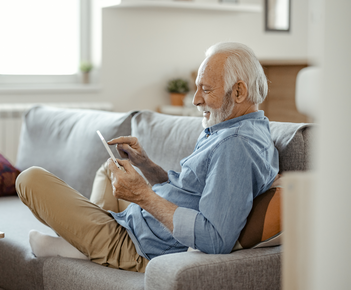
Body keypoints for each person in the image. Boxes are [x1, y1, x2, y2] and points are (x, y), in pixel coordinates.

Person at [16, 41, 279, 273]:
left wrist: (143, 195)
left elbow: (215, 238)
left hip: (142, 246)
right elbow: (189, 191)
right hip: (140, 222)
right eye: (197, 88)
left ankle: (83, 246)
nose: (195, 100)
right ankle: (88, 238)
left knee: (29, 179)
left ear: (239, 92)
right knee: (109, 169)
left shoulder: (236, 145)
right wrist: (145, 164)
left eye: (206, 89)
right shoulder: (233, 128)